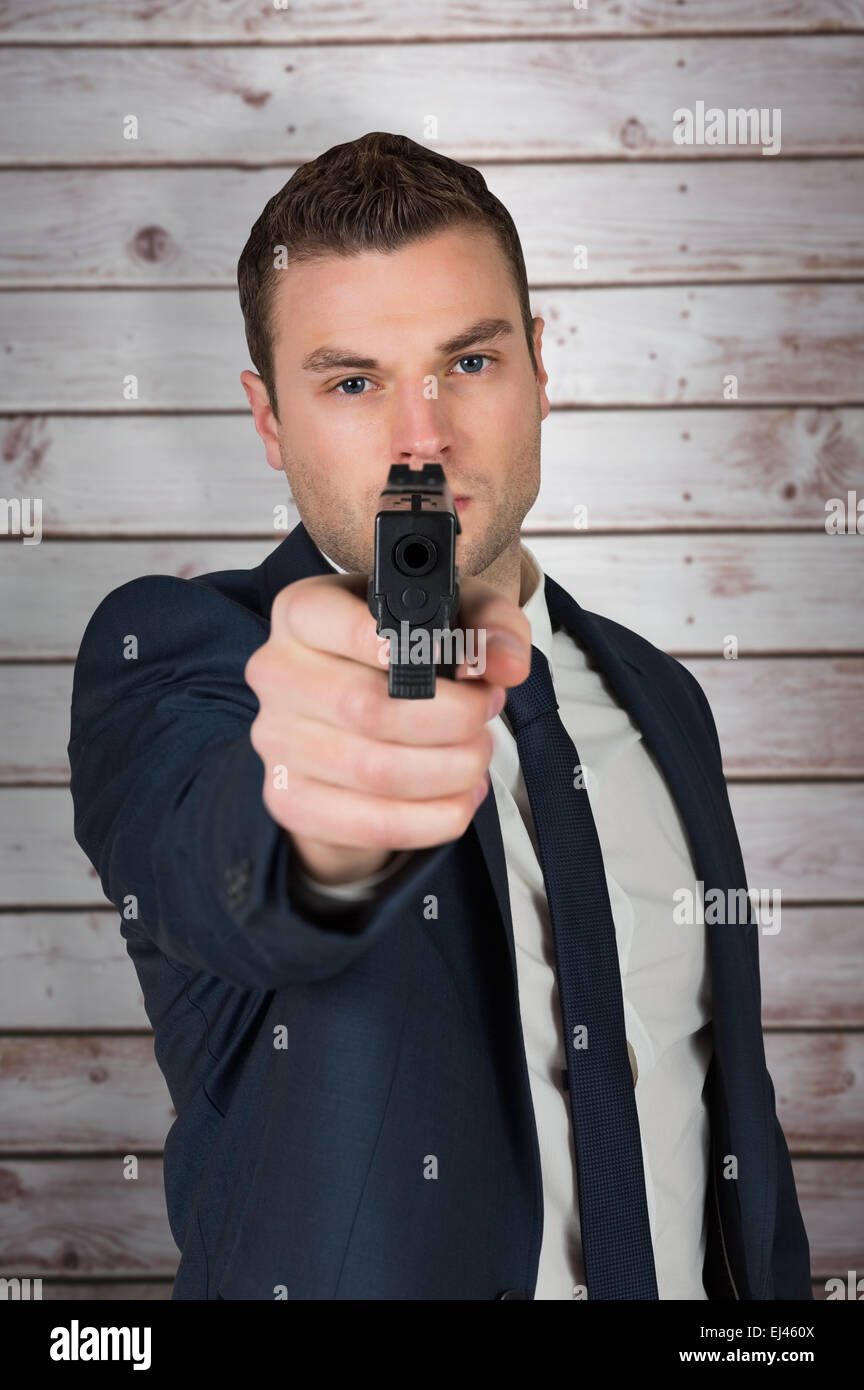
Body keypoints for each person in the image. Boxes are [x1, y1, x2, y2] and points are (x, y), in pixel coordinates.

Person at [68, 131, 811, 1301]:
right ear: (268, 419)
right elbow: (221, 860)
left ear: (539, 367)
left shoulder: (664, 697)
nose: (424, 437)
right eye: (353, 381)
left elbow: (726, 1118)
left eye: (467, 362)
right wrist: (327, 836)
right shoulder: (182, 658)